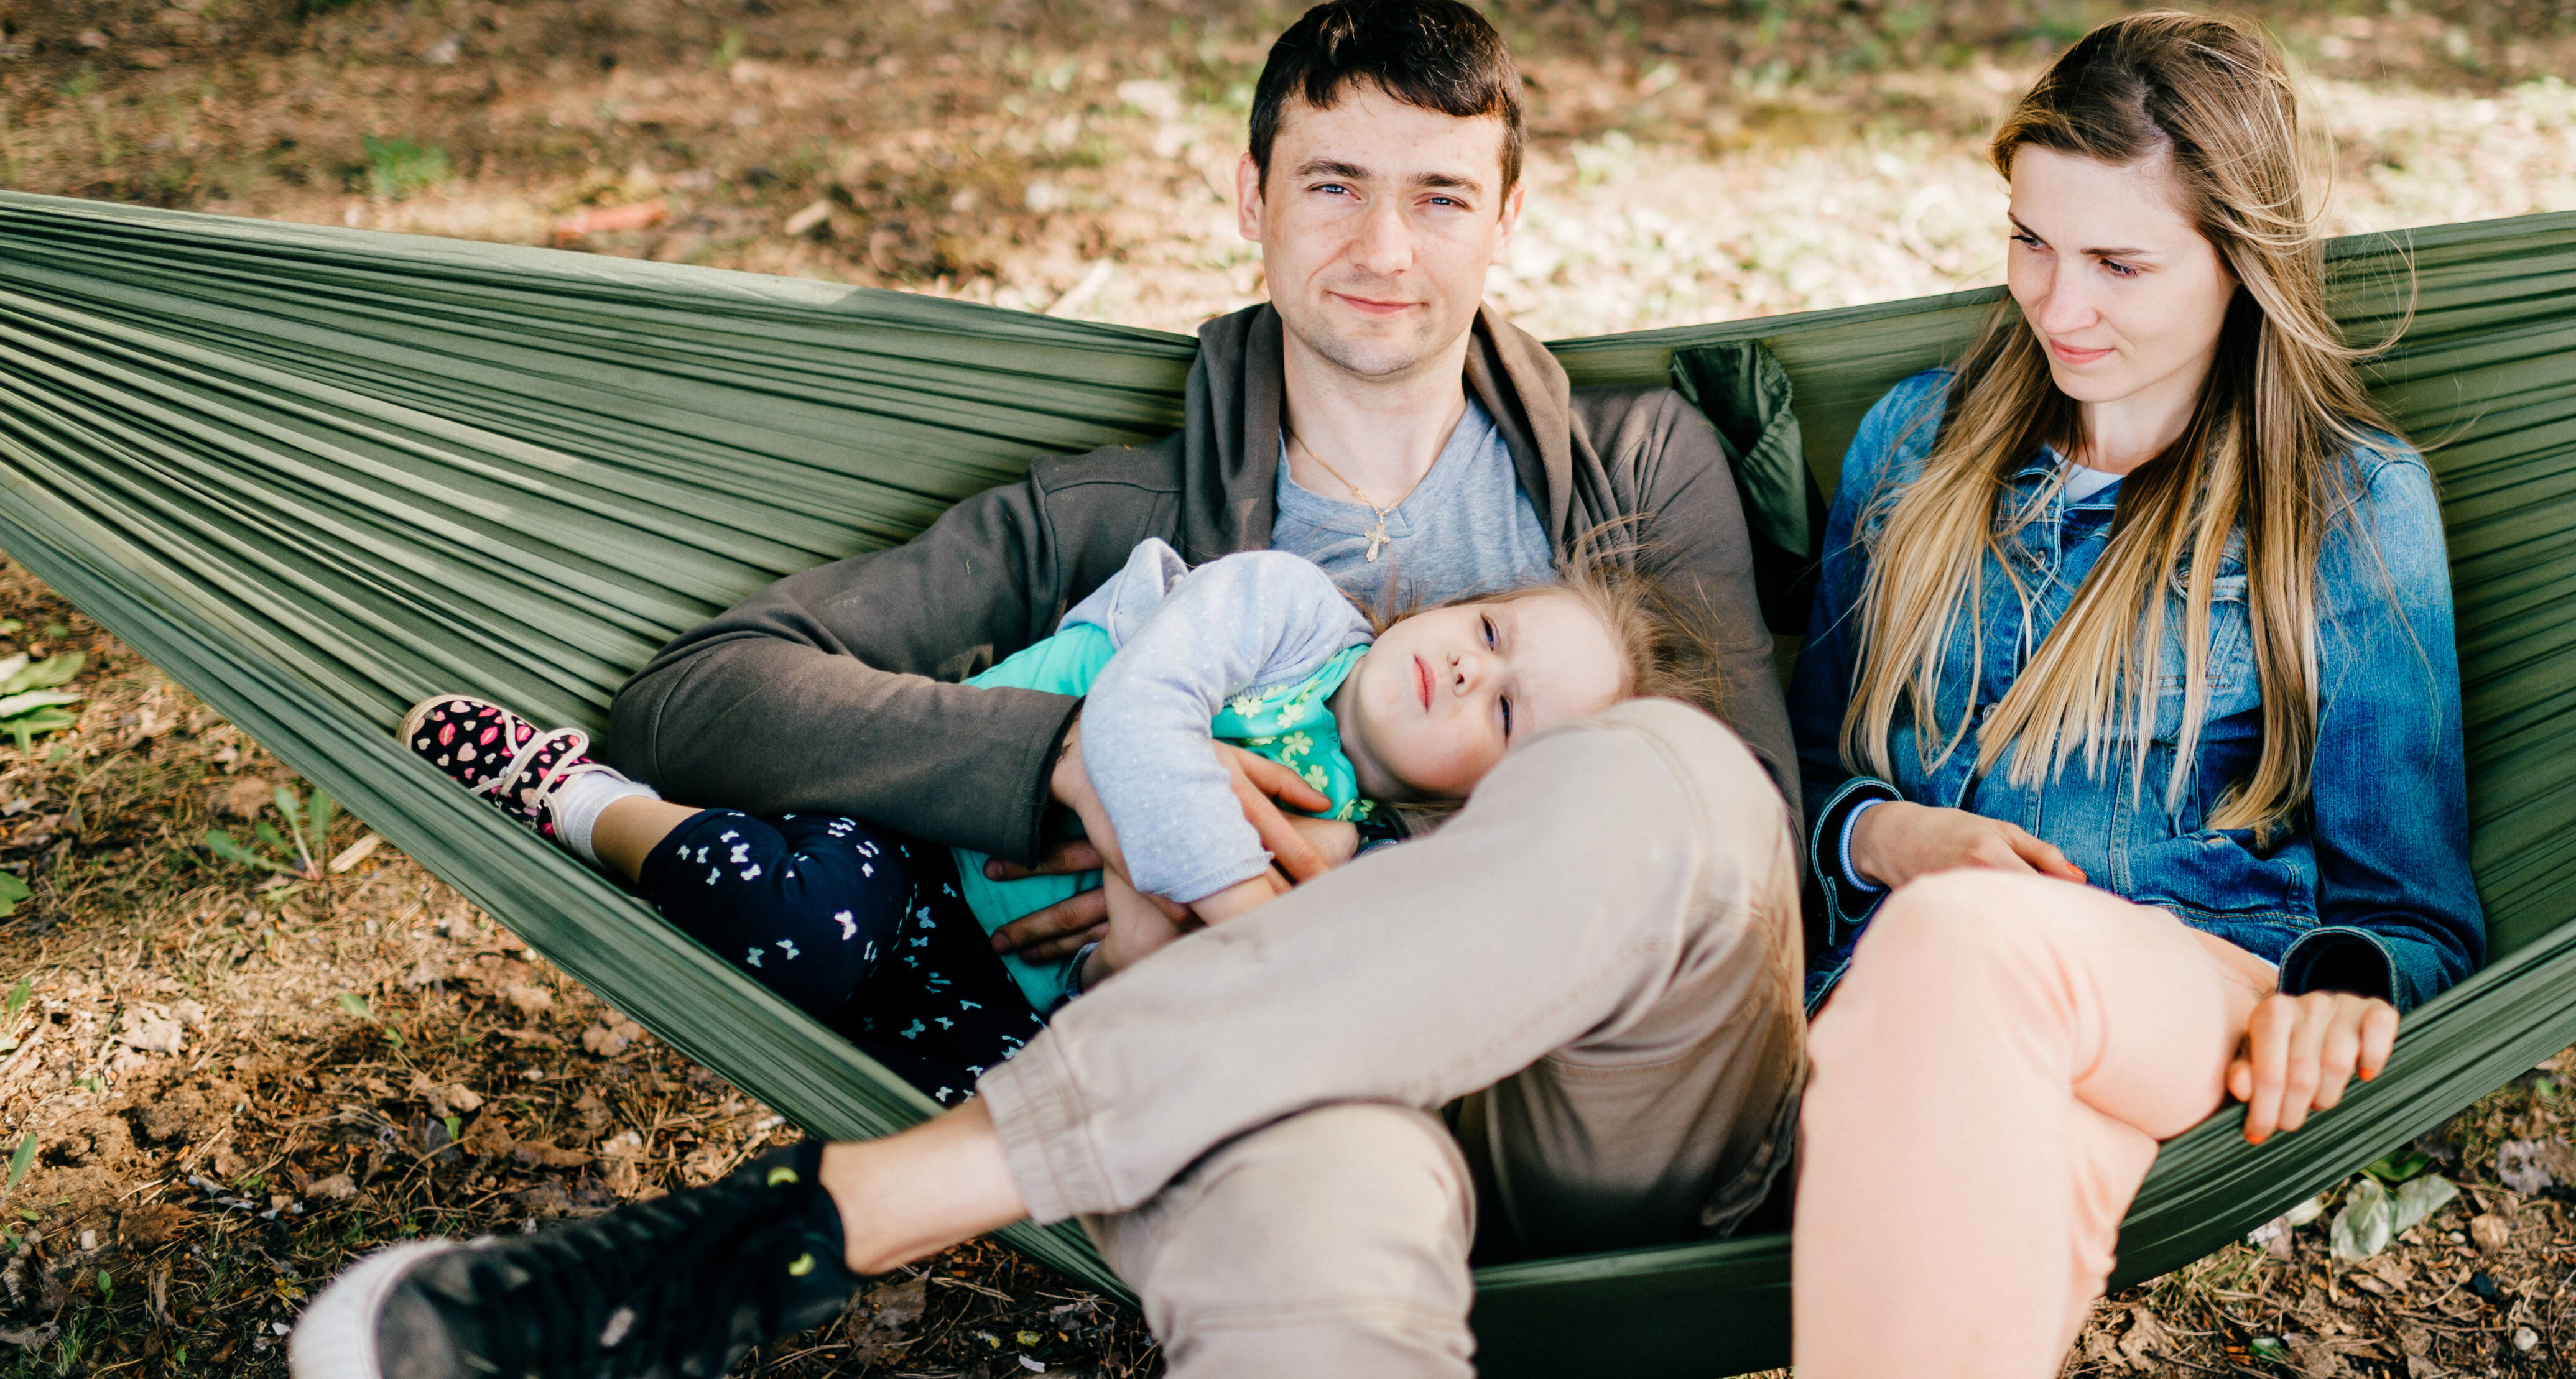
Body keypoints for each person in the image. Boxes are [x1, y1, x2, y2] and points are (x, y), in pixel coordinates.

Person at [292, 0, 1805, 1379]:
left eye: (1439, 198)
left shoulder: (1632, 470)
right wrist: (1068, 763)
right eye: (1334, 185)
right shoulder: (1112, 522)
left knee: (1658, 776)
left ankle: (847, 1210)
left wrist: (1357, 879)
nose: (1385, 250)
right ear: (1251, 200)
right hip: (1271, 1118)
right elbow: (697, 697)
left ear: (1507, 219)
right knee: (1307, 1236)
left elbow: (1741, 851)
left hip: (1609, 1109)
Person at [1786, 12, 2487, 1377]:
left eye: (2120, 263)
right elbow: (1804, 767)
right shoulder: (1913, 446)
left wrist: (2345, 983)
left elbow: (2407, 906)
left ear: (2242, 263)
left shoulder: (2343, 504)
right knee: (2007, 1183)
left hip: (2189, 992)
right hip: (1898, 1021)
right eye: (2030, 243)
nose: (2057, 306)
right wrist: (1884, 834)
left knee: (1965, 938)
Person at [391, 537, 1715, 1099]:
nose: (1471, 670)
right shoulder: (1284, 611)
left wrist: (1140, 957)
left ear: (1494, 797)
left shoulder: (1371, 868)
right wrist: (1251, 916)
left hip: (1002, 989)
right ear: (1453, 601)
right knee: (796, 910)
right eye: (1489, 631)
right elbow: (1138, 721)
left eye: (1504, 715)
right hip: (906, 841)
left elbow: (1164, 1014)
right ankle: (581, 801)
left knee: (1021, 1125)